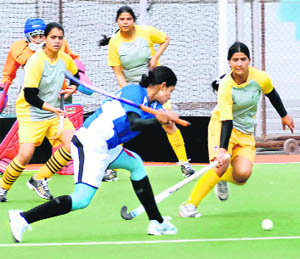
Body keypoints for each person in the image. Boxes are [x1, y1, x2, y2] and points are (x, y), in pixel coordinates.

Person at [8, 66, 179, 242]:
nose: (170, 96)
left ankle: (156, 221)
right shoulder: (133, 92)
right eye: (170, 91)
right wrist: (157, 120)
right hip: (91, 142)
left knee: (135, 164)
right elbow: (134, 123)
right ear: (162, 86)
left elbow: (171, 130)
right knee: (81, 200)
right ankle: (22, 218)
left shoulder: (155, 105)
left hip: (108, 145)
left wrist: (168, 120)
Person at [179, 41, 294, 218]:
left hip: (245, 131)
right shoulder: (226, 86)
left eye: (243, 59)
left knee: (242, 175)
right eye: (235, 60)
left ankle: (221, 179)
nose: (239, 63)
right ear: (229, 62)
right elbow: (227, 120)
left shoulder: (260, 77)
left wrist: (284, 115)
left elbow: (271, 93)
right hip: (222, 126)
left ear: (249, 60)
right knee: (219, 166)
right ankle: (189, 205)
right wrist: (223, 150)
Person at [99, 6, 195, 179]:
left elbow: (165, 39)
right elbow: (118, 72)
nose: (125, 22)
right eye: (122, 19)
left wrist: (156, 56)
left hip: (155, 87)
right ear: (117, 21)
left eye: (128, 19)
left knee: (168, 123)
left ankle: (184, 163)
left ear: (133, 20)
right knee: (123, 125)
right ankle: (108, 166)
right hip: (132, 89)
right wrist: (128, 93)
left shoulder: (146, 32)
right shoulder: (114, 42)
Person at [0, 22, 79, 202]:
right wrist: (53, 108)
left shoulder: (64, 59)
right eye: (53, 37)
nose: (57, 41)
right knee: (26, 153)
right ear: (45, 39)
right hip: (31, 111)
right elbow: (30, 96)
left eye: (60, 38)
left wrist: (73, 87)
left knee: (74, 144)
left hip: (53, 111)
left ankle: (39, 178)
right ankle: (2, 188)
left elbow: (77, 75)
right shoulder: (36, 61)